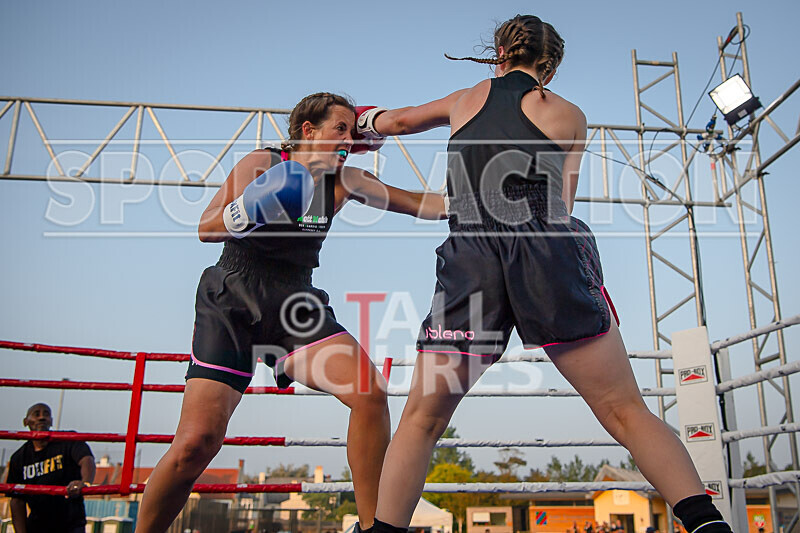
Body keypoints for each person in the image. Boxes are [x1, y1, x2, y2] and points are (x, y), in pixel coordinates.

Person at [353, 15, 733, 533]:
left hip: (474, 258)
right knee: (625, 410)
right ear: (548, 68)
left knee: (422, 419)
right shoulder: (572, 115)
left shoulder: (469, 96)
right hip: (547, 255)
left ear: (500, 51)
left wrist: (359, 125)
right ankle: (708, 525)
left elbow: (394, 123)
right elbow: (563, 202)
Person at [135, 93, 446, 533]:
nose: (349, 139)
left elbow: (424, 204)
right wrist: (253, 208)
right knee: (195, 444)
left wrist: (484, 200)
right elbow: (206, 227)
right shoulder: (262, 163)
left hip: (295, 302)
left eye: (353, 132)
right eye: (340, 128)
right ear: (308, 131)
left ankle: (373, 527)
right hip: (233, 295)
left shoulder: (346, 181)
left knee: (369, 394)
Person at [4, 403, 96, 533]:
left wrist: (85, 482)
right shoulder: (19, 458)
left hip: (70, 524)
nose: (42, 417)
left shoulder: (68, 440)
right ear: (26, 422)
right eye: (36, 414)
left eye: (46, 414)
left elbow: (87, 459)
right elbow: (16, 501)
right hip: (38, 525)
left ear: (51, 420)